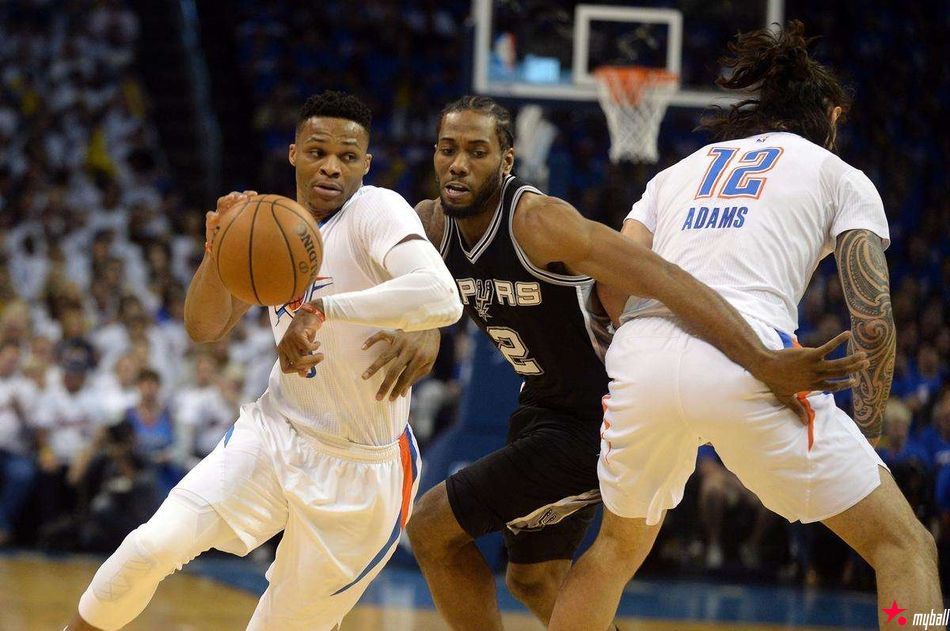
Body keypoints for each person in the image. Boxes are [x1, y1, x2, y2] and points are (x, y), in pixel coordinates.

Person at [393, 95, 865, 630]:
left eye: (476, 151)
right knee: (534, 579)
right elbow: (399, 288)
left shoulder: (540, 223)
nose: (458, 164)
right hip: (542, 408)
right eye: (448, 149)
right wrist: (418, 328)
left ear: (506, 162)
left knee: (431, 526)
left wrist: (760, 358)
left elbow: (666, 278)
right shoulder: (429, 226)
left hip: (598, 415)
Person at [548, 22, 942, 630]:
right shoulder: (840, 175)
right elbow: (873, 321)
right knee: (905, 545)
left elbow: (611, 287)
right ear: (831, 117)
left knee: (615, 551)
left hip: (642, 357)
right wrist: (864, 439)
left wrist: (641, 364)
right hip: (752, 358)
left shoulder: (677, 173)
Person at [66, 90, 463, 631]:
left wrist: (321, 310)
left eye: (348, 157)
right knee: (147, 548)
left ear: (366, 165)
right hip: (276, 431)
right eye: (318, 152)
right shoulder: (276, 228)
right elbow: (204, 328)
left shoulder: (376, 210)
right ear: (294, 154)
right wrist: (217, 252)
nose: (332, 166)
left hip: (363, 469)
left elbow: (442, 296)